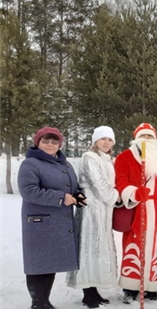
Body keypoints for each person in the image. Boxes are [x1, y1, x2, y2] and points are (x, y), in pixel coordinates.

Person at [115, 123, 157, 303]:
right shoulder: (124, 157)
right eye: (143, 136)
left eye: (150, 136)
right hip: (137, 209)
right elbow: (119, 181)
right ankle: (130, 286)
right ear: (136, 138)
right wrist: (133, 192)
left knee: (156, 251)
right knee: (134, 246)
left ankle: (152, 286)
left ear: (155, 140)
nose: (147, 140)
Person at [19, 127, 82, 309]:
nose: (50, 145)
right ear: (38, 142)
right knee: (38, 264)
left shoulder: (65, 164)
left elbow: (73, 187)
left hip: (59, 222)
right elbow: (29, 191)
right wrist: (61, 198)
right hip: (40, 223)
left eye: (54, 142)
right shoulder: (30, 164)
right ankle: (38, 303)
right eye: (46, 141)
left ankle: (44, 301)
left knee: (51, 262)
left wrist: (78, 195)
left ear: (59, 145)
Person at [66, 126, 120, 308]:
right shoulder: (89, 158)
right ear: (95, 141)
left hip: (103, 209)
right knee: (88, 248)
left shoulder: (107, 159)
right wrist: (115, 197)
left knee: (98, 250)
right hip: (91, 208)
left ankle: (94, 290)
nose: (106, 142)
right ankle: (87, 292)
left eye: (110, 139)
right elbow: (99, 184)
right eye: (102, 139)